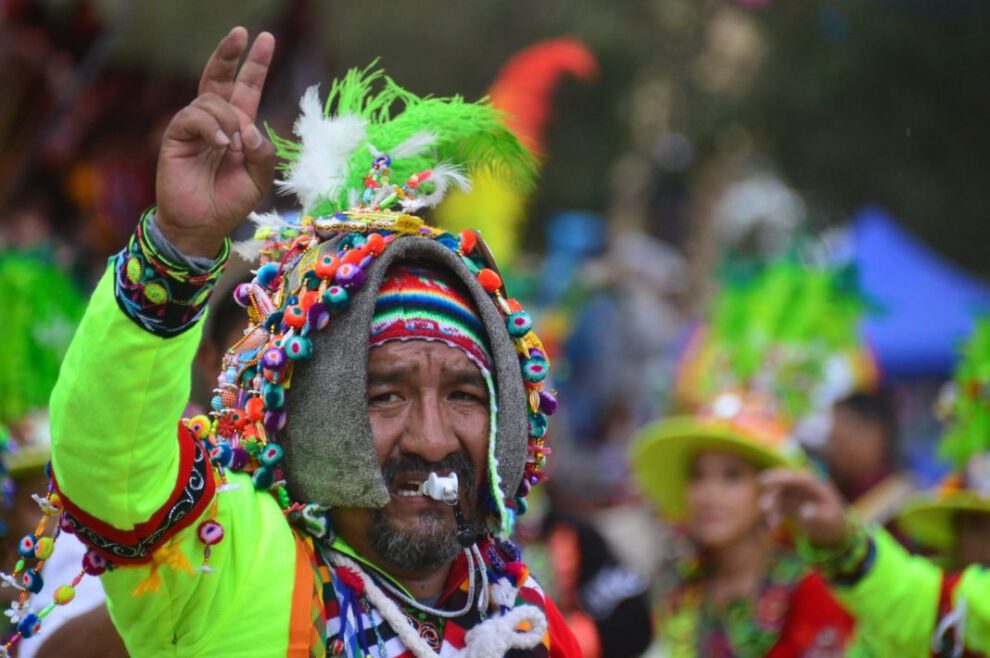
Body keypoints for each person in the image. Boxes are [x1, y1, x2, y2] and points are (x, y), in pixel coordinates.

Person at [5, 27, 579, 657]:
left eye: (466, 395)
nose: (434, 439)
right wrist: (177, 248)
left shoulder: (526, 621)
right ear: (312, 411)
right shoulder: (229, 562)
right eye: (386, 395)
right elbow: (112, 463)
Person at [631, 261, 871, 658]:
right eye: (699, 476)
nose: (709, 494)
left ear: (770, 488)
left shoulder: (810, 591)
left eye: (731, 477)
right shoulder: (680, 590)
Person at [761, 318, 990, 657]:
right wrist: (839, 539)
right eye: (975, 524)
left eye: (846, 430)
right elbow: (918, 604)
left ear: (878, 432)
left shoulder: (899, 499)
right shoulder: (949, 602)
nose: (836, 443)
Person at [825, 390, 914, 528]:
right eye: (832, 440)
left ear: (877, 433)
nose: (834, 449)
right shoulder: (836, 490)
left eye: (840, 439)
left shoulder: (902, 498)